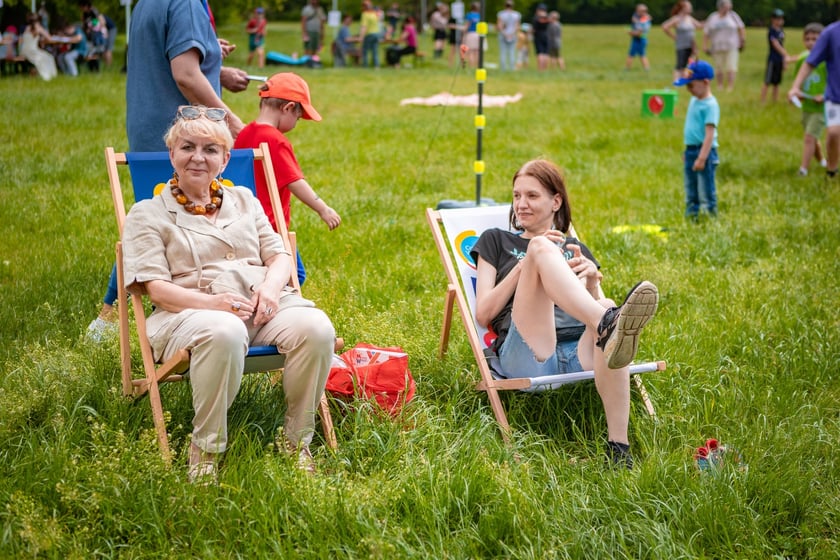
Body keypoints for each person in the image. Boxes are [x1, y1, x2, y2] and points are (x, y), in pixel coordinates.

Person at [121, 106, 336, 482]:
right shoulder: (148, 213)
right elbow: (156, 289)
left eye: (210, 149)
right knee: (225, 330)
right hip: (186, 313)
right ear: (172, 154)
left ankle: (295, 442)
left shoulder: (244, 200)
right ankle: (205, 451)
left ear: (224, 159)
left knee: (316, 327)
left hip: (260, 306)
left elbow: (279, 255)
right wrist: (213, 304)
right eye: (188, 147)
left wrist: (271, 289)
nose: (198, 158)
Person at [471, 159, 659, 468]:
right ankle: (606, 321)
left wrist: (592, 283)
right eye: (517, 196)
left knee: (604, 304)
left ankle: (618, 451)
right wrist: (526, 264)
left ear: (555, 201)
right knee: (541, 250)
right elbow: (484, 313)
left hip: (576, 351)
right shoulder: (496, 240)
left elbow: (594, 306)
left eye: (532, 196)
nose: (521, 204)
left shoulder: (575, 247)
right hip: (529, 351)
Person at [87, 0, 250, 342]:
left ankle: (110, 313)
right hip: (184, 139)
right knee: (171, 222)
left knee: (154, 219)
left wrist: (214, 62)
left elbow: (165, 56)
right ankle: (112, 315)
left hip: (153, 132)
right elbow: (186, 75)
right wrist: (231, 121)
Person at [233, 73, 341, 287]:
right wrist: (323, 209)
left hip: (244, 221)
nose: (296, 123)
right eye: (298, 117)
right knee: (294, 275)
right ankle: (276, 309)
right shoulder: (276, 140)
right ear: (288, 108)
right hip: (271, 226)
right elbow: (295, 181)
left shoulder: (245, 133)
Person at [789, 19, 840, 180]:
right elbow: (810, 62)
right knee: (833, 133)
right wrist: (795, 87)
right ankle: (831, 170)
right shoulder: (831, 33)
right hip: (834, 96)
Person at [674, 60, 720, 220]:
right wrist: (688, 152)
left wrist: (702, 157)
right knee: (691, 188)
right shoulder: (695, 100)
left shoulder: (710, 105)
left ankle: (709, 217)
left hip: (705, 153)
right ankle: (692, 217)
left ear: (705, 82)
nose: (689, 90)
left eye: (691, 85)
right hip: (691, 150)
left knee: (705, 189)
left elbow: (709, 135)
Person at [787, 23, 827, 177]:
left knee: (809, 137)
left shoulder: (826, 61)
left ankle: (803, 169)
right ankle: (822, 160)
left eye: (815, 39)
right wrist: (795, 92)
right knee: (812, 137)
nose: (811, 42)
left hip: (821, 108)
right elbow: (798, 80)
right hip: (807, 106)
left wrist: (823, 96)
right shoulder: (803, 59)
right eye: (807, 39)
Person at [703, 0, 745, 92]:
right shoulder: (713, 17)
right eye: (727, 5)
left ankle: (730, 87)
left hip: (732, 45)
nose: (729, 8)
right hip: (717, 46)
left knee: (731, 66)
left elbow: (741, 27)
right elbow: (706, 32)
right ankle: (720, 86)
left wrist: (742, 40)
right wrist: (705, 45)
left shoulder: (733, 16)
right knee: (719, 67)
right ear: (720, 7)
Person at [662, 0, 703, 82]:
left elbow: (699, 26)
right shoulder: (677, 18)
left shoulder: (690, 18)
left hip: (692, 45)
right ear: (683, 8)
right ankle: (677, 82)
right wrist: (674, 37)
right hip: (682, 45)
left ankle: (687, 81)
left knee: (691, 64)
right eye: (688, 6)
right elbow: (665, 26)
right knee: (680, 65)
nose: (691, 8)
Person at [18, 12, 57, 81]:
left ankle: (41, 75)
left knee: (44, 56)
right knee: (48, 57)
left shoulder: (26, 28)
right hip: (32, 50)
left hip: (23, 51)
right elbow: (49, 38)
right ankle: (48, 77)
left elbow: (20, 41)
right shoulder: (38, 28)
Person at [760, 9, 788, 103]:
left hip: (780, 59)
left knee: (777, 82)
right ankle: (763, 100)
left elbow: (782, 44)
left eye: (781, 19)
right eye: (777, 19)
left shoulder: (781, 31)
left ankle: (774, 100)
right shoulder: (771, 31)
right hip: (773, 59)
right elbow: (775, 44)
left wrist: (784, 59)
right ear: (773, 19)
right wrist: (785, 54)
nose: (780, 21)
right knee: (767, 81)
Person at [625, 3, 651, 71]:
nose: (639, 12)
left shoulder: (645, 20)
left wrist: (631, 33)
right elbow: (634, 20)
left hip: (641, 39)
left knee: (634, 54)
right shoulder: (637, 16)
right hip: (637, 38)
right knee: (640, 54)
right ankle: (646, 69)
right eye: (638, 11)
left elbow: (641, 31)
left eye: (642, 11)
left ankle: (627, 69)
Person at [496, 0, 521, 72]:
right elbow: (517, 26)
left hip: (503, 35)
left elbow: (499, 26)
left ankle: (503, 69)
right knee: (512, 52)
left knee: (503, 52)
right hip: (512, 35)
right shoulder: (516, 14)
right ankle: (512, 68)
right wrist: (511, 34)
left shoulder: (501, 14)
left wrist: (505, 34)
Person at [360, 0, 382, 68]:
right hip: (377, 34)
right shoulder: (375, 14)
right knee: (375, 51)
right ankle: (376, 66)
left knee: (365, 51)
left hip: (369, 34)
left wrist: (361, 37)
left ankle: (365, 66)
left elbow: (364, 26)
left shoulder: (365, 14)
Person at [461, 2, 482, 68]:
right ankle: (477, 66)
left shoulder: (469, 15)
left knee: (470, 52)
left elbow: (466, 26)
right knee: (477, 51)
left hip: (470, 33)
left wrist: (463, 34)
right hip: (479, 34)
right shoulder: (480, 15)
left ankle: (471, 66)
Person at [531, 4, 550, 71]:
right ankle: (545, 69)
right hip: (546, 36)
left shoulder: (536, 18)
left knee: (540, 53)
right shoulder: (547, 18)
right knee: (546, 53)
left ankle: (540, 69)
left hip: (538, 36)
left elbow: (533, 29)